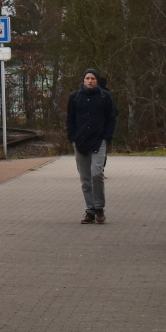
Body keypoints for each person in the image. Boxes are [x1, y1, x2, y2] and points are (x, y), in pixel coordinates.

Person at [65, 68, 117, 224]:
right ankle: (90, 210)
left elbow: (111, 118)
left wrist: (106, 138)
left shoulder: (104, 96)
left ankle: (99, 207)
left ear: (97, 80)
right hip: (80, 142)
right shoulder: (75, 97)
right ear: (83, 80)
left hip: (98, 141)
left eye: (92, 78)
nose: (90, 81)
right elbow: (70, 119)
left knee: (97, 173)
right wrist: (72, 139)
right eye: (87, 78)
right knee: (85, 179)